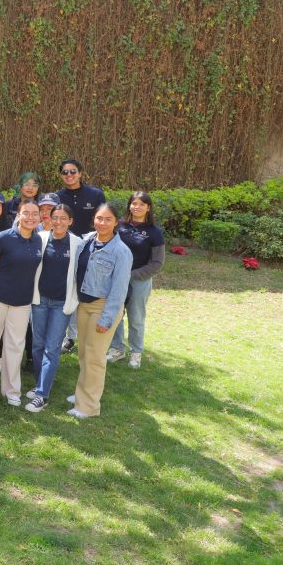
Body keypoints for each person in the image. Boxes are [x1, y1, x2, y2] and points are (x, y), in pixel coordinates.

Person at [0, 202, 43, 406]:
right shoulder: (4, 237)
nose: (30, 217)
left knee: (15, 346)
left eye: (34, 214)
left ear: (39, 217)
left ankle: (12, 390)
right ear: (18, 215)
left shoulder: (39, 240)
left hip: (22, 302)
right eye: (26, 213)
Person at [68, 204, 132, 418]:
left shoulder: (121, 252)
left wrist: (107, 318)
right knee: (84, 353)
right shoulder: (87, 241)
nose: (102, 223)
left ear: (116, 222)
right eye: (99, 218)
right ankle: (82, 392)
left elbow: (119, 290)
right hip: (84, 306)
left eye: (107, 219)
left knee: (95, 357)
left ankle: (88, 406)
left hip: (102, 307)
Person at [26, 204, 82, 413]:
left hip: (61, 303)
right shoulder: (39, 238)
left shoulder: (77, 243)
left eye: (63, 218)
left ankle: (42, 395)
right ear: (48, 219)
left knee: (52, 348)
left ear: (70, 221)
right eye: (55, 218)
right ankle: (42, 382)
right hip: (39, 301)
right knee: (37, 346)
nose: (58, 222)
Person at [107, 191, 165, 369]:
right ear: (129, 205)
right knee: (115, 315)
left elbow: (157, 263)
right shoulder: (120, 226)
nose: (137, 207)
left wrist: (130, 274)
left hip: (139, 280)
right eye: (134, 203)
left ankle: (136, 352)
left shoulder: (154, 233)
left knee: (136, 317)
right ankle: (117, 349)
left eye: (141, 204)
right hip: (115, 279)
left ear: (148, 208)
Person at [57, 158, 107, 354]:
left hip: (90, 251)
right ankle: (65, 337)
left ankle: (76, 336)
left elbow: (103, 219)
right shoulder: (58, 196)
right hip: (64, 249)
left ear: (80, 173)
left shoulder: (95, 194)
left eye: (72, 172)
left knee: (83, 292)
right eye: (65, 172)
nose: (69, 176)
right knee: (67, 291)